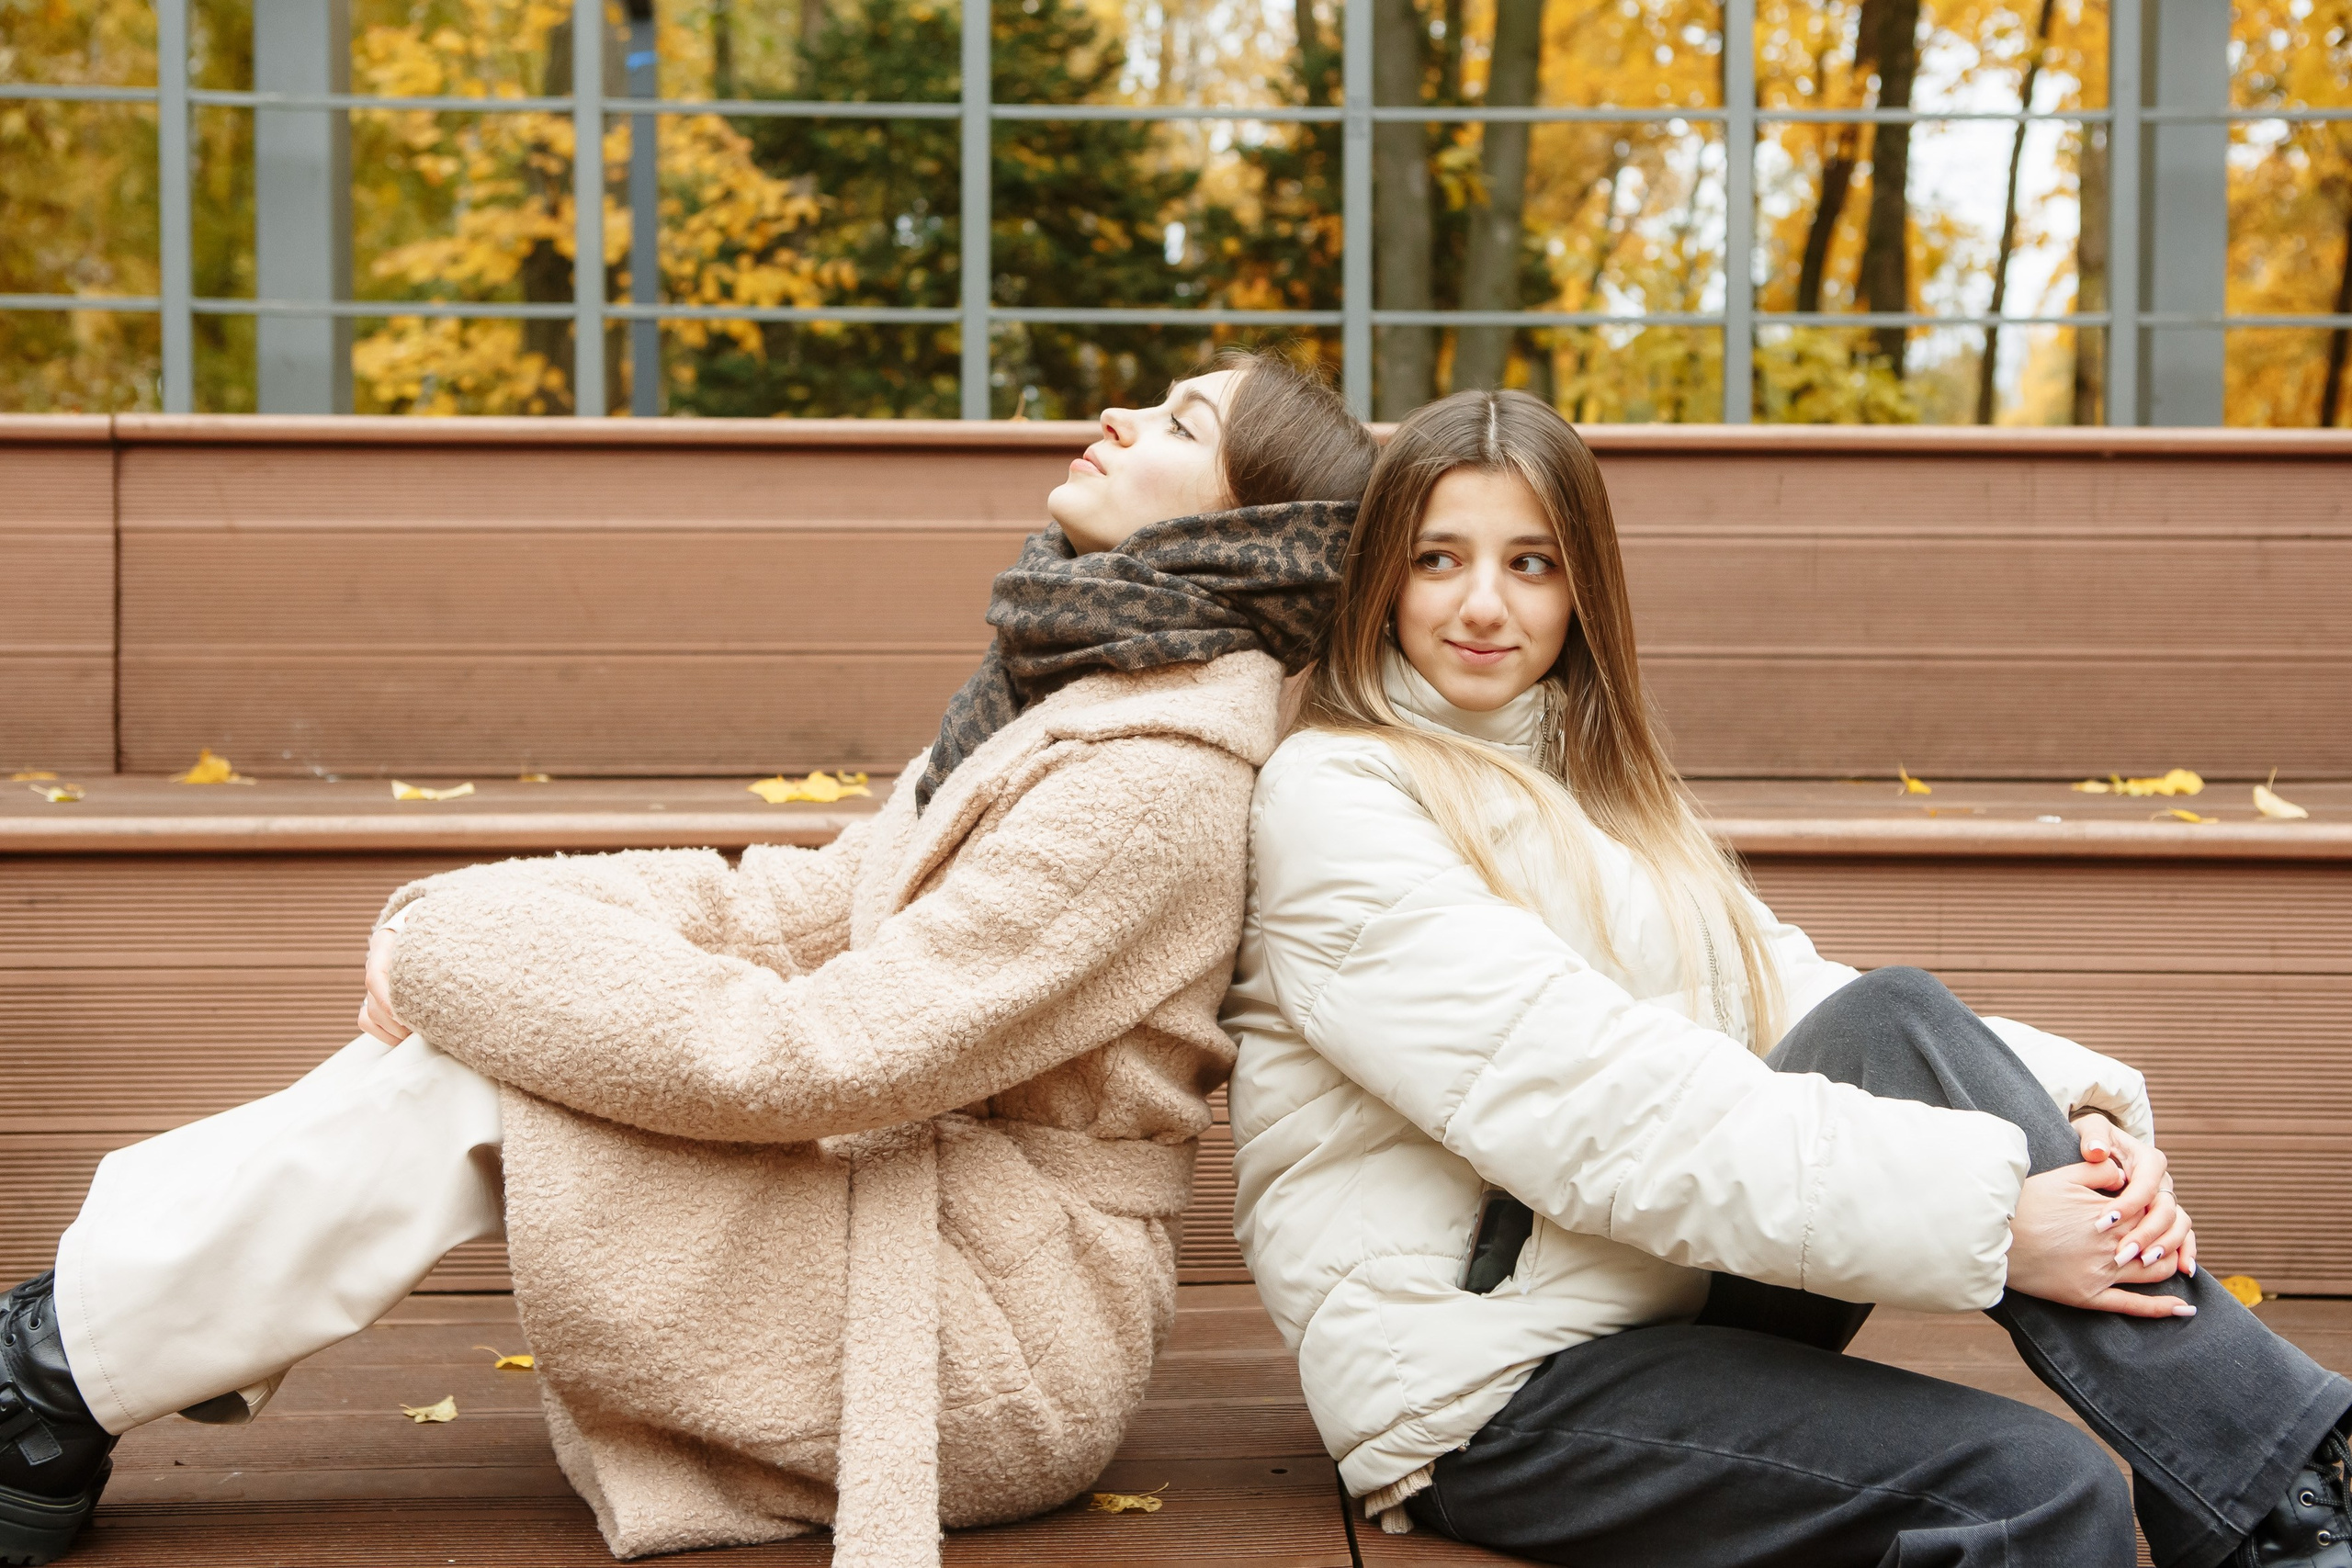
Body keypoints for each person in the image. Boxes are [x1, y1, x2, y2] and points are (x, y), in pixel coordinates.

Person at [0, 351, 1377, 1568]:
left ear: (1251, 529)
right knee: (500, 1023)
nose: (1118, 414)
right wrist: (476, 915)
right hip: (919, 1230)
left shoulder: (1152, 785)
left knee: (494, 1072)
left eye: (1181, 419)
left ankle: (44, 1377)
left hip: (992, 1332)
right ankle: (57, 1353)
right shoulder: (1072, 690)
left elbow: (818, 1056)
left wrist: (456, 953)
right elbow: (799, 900)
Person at [1221, 389, 2352, 1568]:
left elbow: (1796, 991)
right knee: (2034, 1489)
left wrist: (2081, 1131)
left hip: (1652, 1284)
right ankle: (2289, 1500)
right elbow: (1587, 1108)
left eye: (1532, 563)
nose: (1484, 604)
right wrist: (1995, 1219)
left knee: (1889, 1012)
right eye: (1438, 558)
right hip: (1486, 1378)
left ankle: (2283, 1492)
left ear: (1582, 591)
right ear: (1382, 582)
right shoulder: (1338, 798)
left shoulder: (1605, 797)